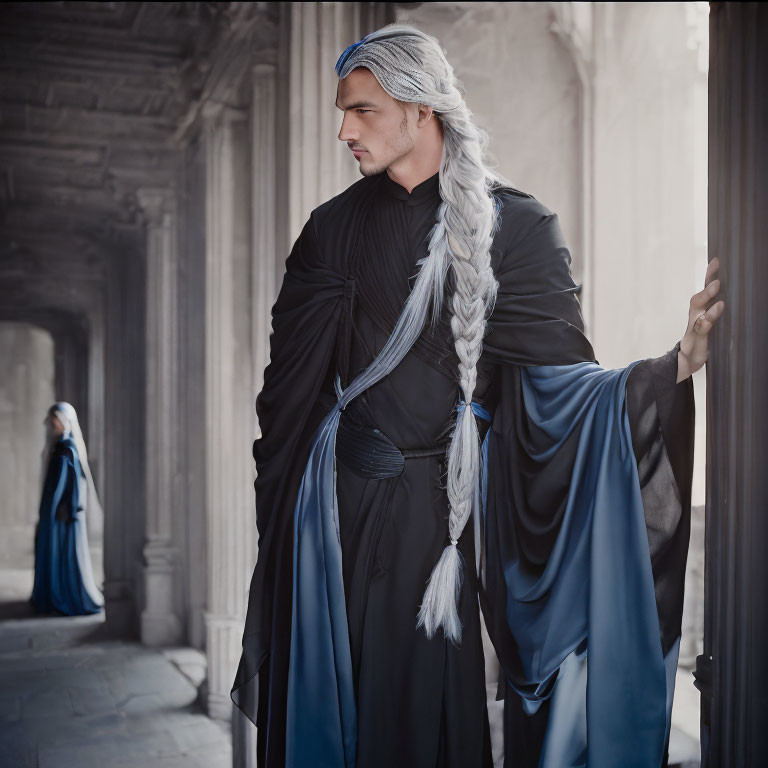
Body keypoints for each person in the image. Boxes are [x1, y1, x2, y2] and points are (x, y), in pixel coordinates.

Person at [231, 24, 724, 768]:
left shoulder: (520, 230)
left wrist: (674, 365)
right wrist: (292, 541)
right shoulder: (328, 234)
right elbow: (285, 406)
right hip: (331, 529)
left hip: (440, 535)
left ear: (419, 109)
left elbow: (565, 394)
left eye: (362, 110)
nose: (342, 130)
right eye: (343, 112)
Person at [30, 402, 104, 616]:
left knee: (63, 554)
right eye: (52, 420)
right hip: (53, 514)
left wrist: (67, 510)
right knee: (52, 553)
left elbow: (73, 485)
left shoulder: (67, 449)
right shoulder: (58, 448)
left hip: (63, 516)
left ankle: (62, 597)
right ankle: (51, 596)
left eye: (57, 420)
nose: (53, 424)